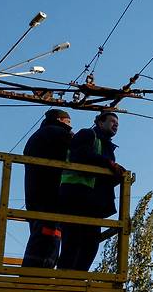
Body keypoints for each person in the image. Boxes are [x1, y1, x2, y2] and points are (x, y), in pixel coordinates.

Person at [57, 111, 125, 271]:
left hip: (93, 202)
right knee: (72, 242)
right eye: (112, 121)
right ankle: (63, 280)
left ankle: (77, 280)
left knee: (90, 244)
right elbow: (81, 155)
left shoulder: (106, 145)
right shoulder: (87, 135)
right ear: (100, 123)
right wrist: (109, 164)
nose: (115, 125)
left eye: (117, 123)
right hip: (76, 196)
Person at [21, 109, 73, 268]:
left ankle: (32, 273)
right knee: (50, 235)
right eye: (68, 122)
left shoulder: (37, 136)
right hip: (52, 192)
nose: (70, 126)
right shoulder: (59, 133)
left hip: (34, 194)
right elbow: (76, 150)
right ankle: (38, 275)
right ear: (60, 120)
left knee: (39, 233)